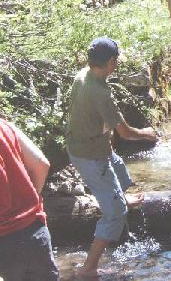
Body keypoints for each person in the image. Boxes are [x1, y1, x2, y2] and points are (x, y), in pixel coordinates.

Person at [66, 37, 157, 278]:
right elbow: (125, 133)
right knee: (114, 213)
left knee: (117, 166)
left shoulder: (84, 74)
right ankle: (89, 267)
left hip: (88, 147)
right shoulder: (98, 92)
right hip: (90, 156)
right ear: (109, 62)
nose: (116, 66)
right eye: (115, 61)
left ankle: (121, 199)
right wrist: (147, 134)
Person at [0, 117, 60, 281]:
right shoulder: (4, 126)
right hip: (35, 230)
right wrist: (31, 201)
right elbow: (41, 164)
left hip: (5, 242)